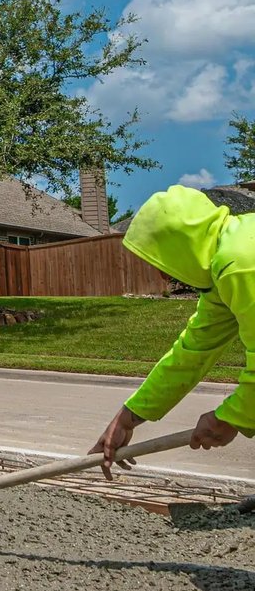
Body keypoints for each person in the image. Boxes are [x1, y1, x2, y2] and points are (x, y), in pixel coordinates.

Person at [90, 185, 254, 478]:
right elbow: (191, 353)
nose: (164, 275)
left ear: (181, 245)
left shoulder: (240, 264)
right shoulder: (225, 269)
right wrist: (127, 418)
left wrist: (231, 417)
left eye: (162, 261)